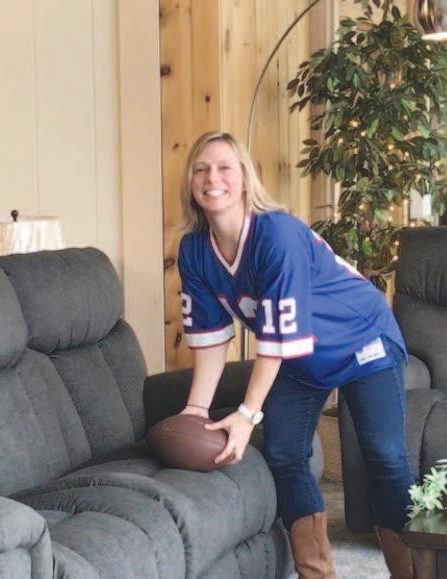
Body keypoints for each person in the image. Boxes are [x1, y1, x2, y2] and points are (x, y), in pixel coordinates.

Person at [175, 131, 415, 578]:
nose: (212, 178)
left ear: (245, 179)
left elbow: (274, 342)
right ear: (190, 180)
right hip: (300, 360)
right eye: (201, 169)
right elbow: (210, 341)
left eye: (225, 168)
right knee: (285, 453)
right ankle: (317, 573)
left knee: (384, 456)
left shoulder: (276, 234)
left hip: (362, 340)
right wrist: (195, 411)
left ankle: (412, 572)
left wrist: (246, 415)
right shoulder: (194, 250)